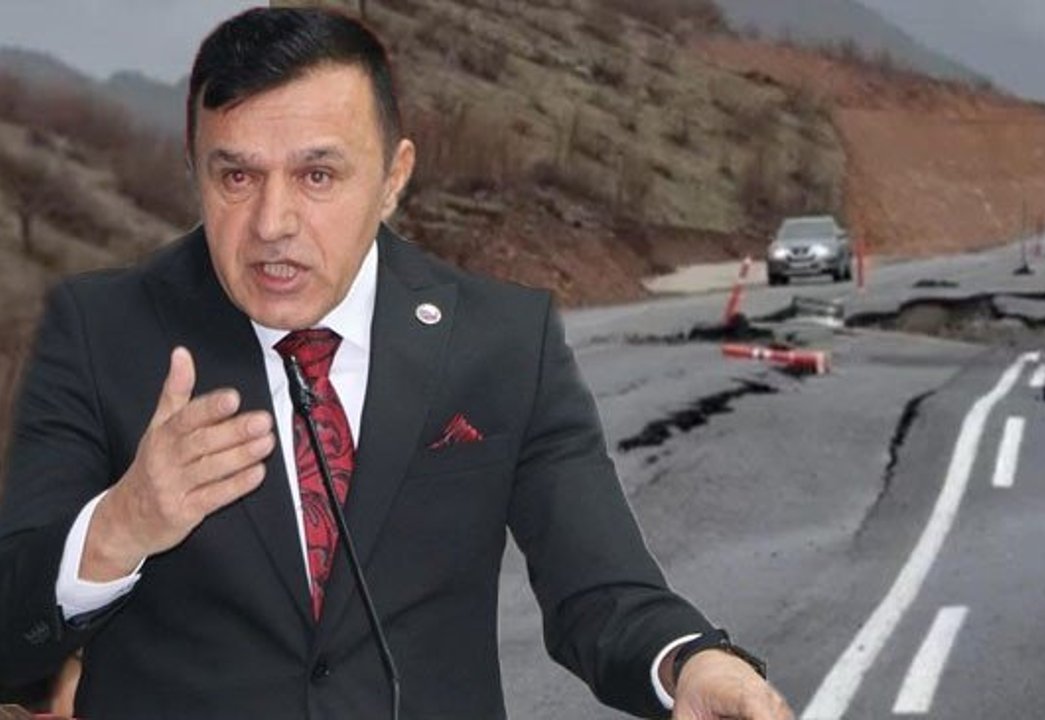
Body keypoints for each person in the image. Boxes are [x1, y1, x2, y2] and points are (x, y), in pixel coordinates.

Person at [0, 7, 793, 720]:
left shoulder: (501, 340)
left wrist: (692, 663)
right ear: (195, 173)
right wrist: (119, 528)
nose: (272, 223)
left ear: (393, 179)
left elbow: (601, 589)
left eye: (317, 175)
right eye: (236, 176)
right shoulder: (98, 332)